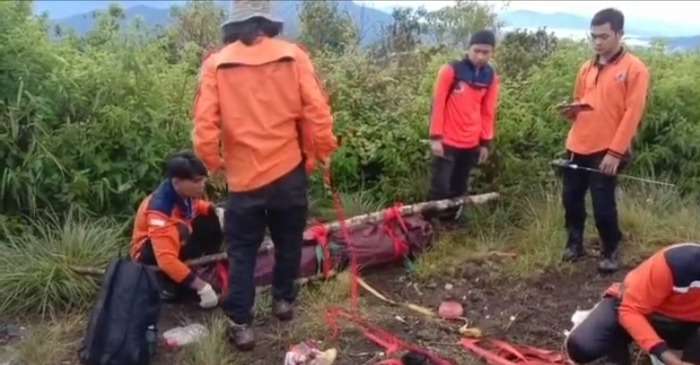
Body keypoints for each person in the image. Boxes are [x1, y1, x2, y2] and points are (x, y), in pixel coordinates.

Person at [192, 0, 337, 351]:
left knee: (242, 251)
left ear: (235, 24)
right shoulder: (293, 55)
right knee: (289, 242)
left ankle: (241, 324)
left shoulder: (216, 64)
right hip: (289, 171)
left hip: (243, 180)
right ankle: (283, 301)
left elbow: (204, 127)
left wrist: (215, 163)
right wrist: (318, 156)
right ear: (268, 21)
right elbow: (318, 113)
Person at [559, 8, 650, 272]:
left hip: (607, 148)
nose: (598, 42)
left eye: (604, 36)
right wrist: (571, 111)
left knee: (602, 203)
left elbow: (633, 114)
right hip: (577, 144)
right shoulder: (586, 67)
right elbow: (580, 101)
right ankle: (574, 243)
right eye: (594, 37)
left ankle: (610, 249)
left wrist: (615, 152)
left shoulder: (635, 69)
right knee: (571, 198)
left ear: (619, 34)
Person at [566, 243, 700, 365]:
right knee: (583, 346)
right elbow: (630, 310)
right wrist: (666, 355)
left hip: (687, 327)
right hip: (635, 309)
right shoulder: (676, 262)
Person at [130, 151, 222, 309]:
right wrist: (202, 287)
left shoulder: (183, 193)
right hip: (151, 256)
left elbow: (195, 207)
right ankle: (168, 284)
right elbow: (166, 260)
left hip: (176, 240)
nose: (202, 185)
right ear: (177, 182)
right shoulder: (159, 212)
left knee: (210, 215)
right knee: (179, 232)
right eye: (197, 181)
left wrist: (217, 212)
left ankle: (203, 266)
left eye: (203, 180)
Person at [427, 30, 500, 223]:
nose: (480, 56)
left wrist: (485, 143)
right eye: (476, 51)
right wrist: (435, 137)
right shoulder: (451, 70)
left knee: (459, 188)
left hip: (471, 142)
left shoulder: (491, 77)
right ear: (468, 49)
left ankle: (449, 225)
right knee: (440, 187)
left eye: (486, 52)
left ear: (492, 52)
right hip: (447, 141)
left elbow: (488, 111)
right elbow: (437, 104)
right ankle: (429, 227)